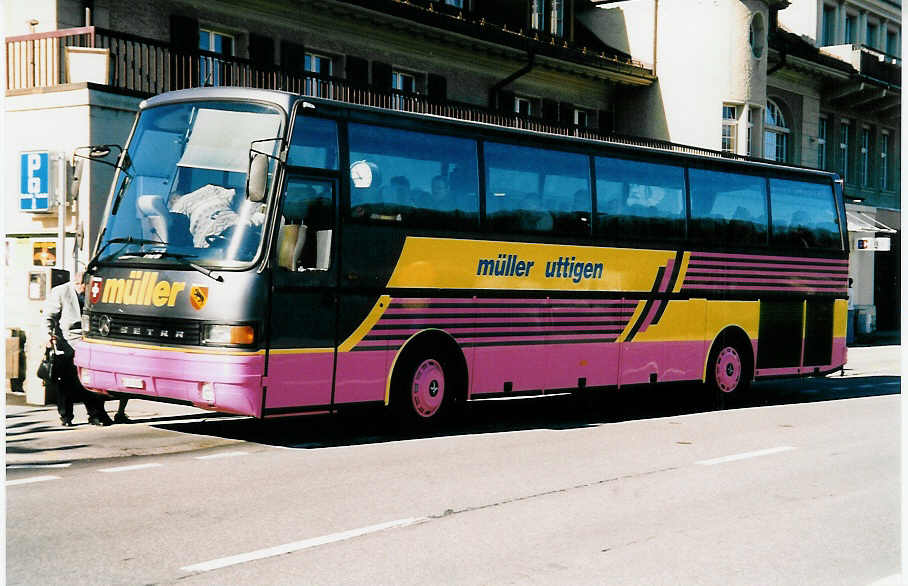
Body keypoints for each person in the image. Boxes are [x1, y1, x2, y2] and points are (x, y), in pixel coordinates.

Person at [44, 270, 113, 426]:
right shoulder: (61, 292)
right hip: (67, 343)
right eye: (85, 286)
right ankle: (66, 416)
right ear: (79, 283)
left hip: (88, 343)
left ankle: (95, 414)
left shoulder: (95, 292)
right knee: (66, 383)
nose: (88, 289)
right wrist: (48, 335)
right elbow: (49, 316)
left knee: (91, 382)